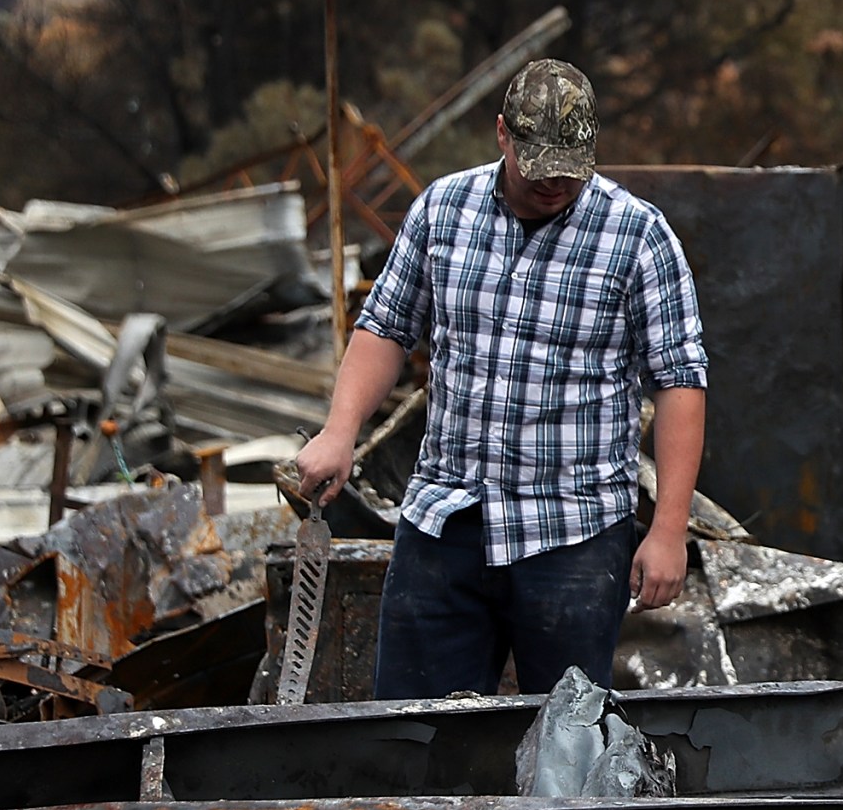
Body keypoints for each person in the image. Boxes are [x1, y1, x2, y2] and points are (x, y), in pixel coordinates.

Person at [293, 59, 708, 698]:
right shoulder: (442, 210)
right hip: (446, 521)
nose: (555, 185)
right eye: (539, 168)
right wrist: (339, 431)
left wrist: (669, 529)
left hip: (573, 535)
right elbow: (385, 329)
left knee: (564, 747)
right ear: (502, 136)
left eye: (571, 171)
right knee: (413, 737)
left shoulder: (639, 237)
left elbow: (679, 382)